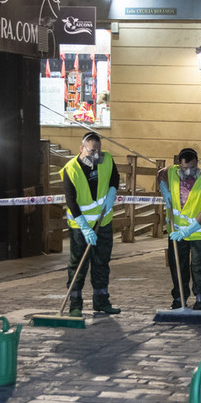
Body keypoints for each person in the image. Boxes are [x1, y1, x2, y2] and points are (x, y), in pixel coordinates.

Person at [61, 131, 121, 316]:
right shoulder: (70, 169)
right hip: (81, 226)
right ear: (82, 148)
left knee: (102, 262)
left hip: (103, 221)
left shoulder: (106, 160)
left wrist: (112, 191)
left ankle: (101, 301)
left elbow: (114, 178)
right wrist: (85, 227)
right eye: (92, 151)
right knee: (78, 264)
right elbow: (71, 201)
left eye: (98, 151)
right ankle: (75, 305)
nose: (96, 155)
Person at [158, 148, 201, 310]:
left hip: (198, 232)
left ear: (197, 164)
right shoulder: (172, 173)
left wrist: (189, 230)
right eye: (184, 168)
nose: (188, 171)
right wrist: (163, 186)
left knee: (198, 266)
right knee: (178, 265)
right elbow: (160, 173)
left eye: (191, 167)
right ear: (179, 165)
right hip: (176, 232)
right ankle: (179, 298)